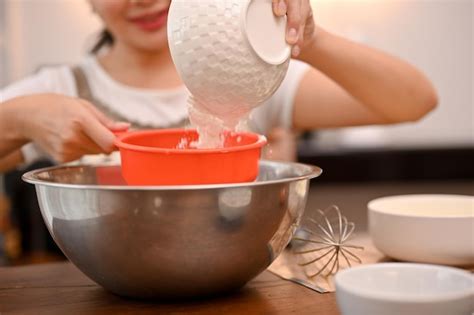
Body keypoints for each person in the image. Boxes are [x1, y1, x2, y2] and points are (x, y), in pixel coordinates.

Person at [0, 0, 438, 170]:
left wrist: (306, 36)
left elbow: (414, 101)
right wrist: (19, 119)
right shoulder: (59, 87)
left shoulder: (250, 81)